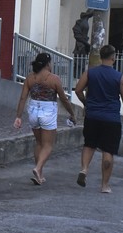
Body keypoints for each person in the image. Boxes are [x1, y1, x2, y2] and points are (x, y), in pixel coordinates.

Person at [73, 44, 123, 192]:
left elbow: (78, 90)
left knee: (89, 144)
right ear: (113, 57)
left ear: (100, 56)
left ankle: (84, 169)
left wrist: (86, 103)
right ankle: (105, 185)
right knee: (108, 150)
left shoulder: (90, 73)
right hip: (111, 119)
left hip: (92, 116)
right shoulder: (119, 77)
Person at [13, 52, 76, 185]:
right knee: (48, 145)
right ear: (48, 64)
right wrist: (72, 113)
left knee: (39, 143)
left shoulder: (30, 78)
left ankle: (39, 176)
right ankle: (38, 168)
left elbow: (23, 98)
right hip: (48, 111)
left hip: (33, 110)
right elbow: (64, 100)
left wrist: (18, 116)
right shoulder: (54, 79)